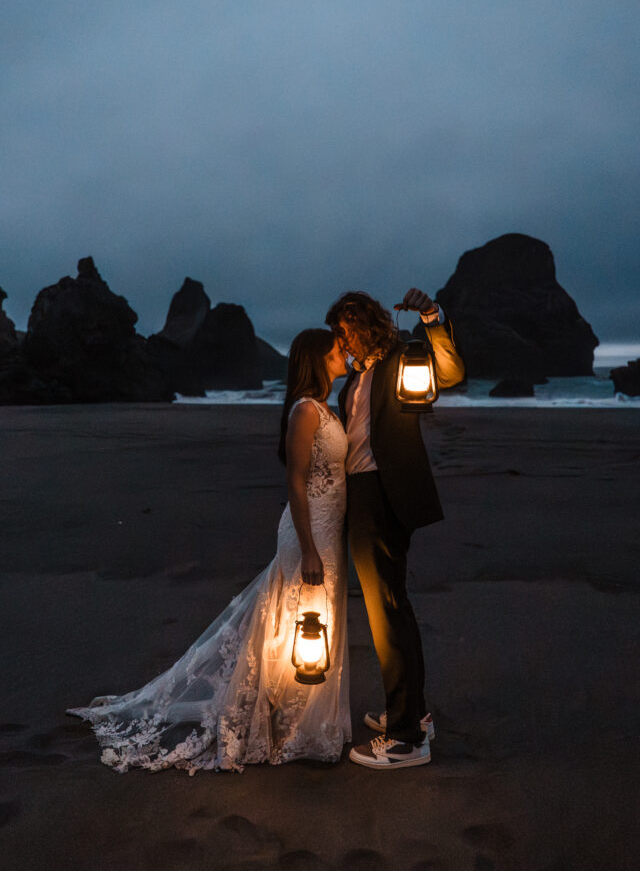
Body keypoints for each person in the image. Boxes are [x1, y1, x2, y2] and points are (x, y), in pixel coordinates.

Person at [67, 329, 351, 773]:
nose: (344, 353)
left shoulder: (327, 408)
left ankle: (311, 720)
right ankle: (289, 724)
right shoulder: (305, 411)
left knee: (317, 620)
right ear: (317, 359)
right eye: (337, 350)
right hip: (309, 532)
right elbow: (295, 481)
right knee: (299, 621)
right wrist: (310, 548)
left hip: (330, 529)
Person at [326, 288, 465, 769]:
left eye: (345, 331)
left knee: (387, 613)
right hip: (363, 496)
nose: (342, 341)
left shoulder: (401, 359)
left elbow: (450, 372)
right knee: (391, 608)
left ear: (364, 324)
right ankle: (413, 715)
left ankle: (407, 740)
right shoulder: (357, 377)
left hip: (384, 494)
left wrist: (432, 316)